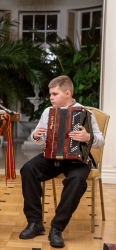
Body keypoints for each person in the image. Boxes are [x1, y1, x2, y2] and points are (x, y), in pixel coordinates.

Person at [19, 76, 105, 247]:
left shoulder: (84, 112)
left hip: (78, 160)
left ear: (67, 93)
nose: (50, 97)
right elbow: (40, 139)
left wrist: (88, 137)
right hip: (51, 158)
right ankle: (35, 222)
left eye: (54, 93)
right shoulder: (47, 112)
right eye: (50, 94)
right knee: (28, 169)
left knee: (77, 179)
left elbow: (100, 141)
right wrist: (35, 136)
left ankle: (57, 228)